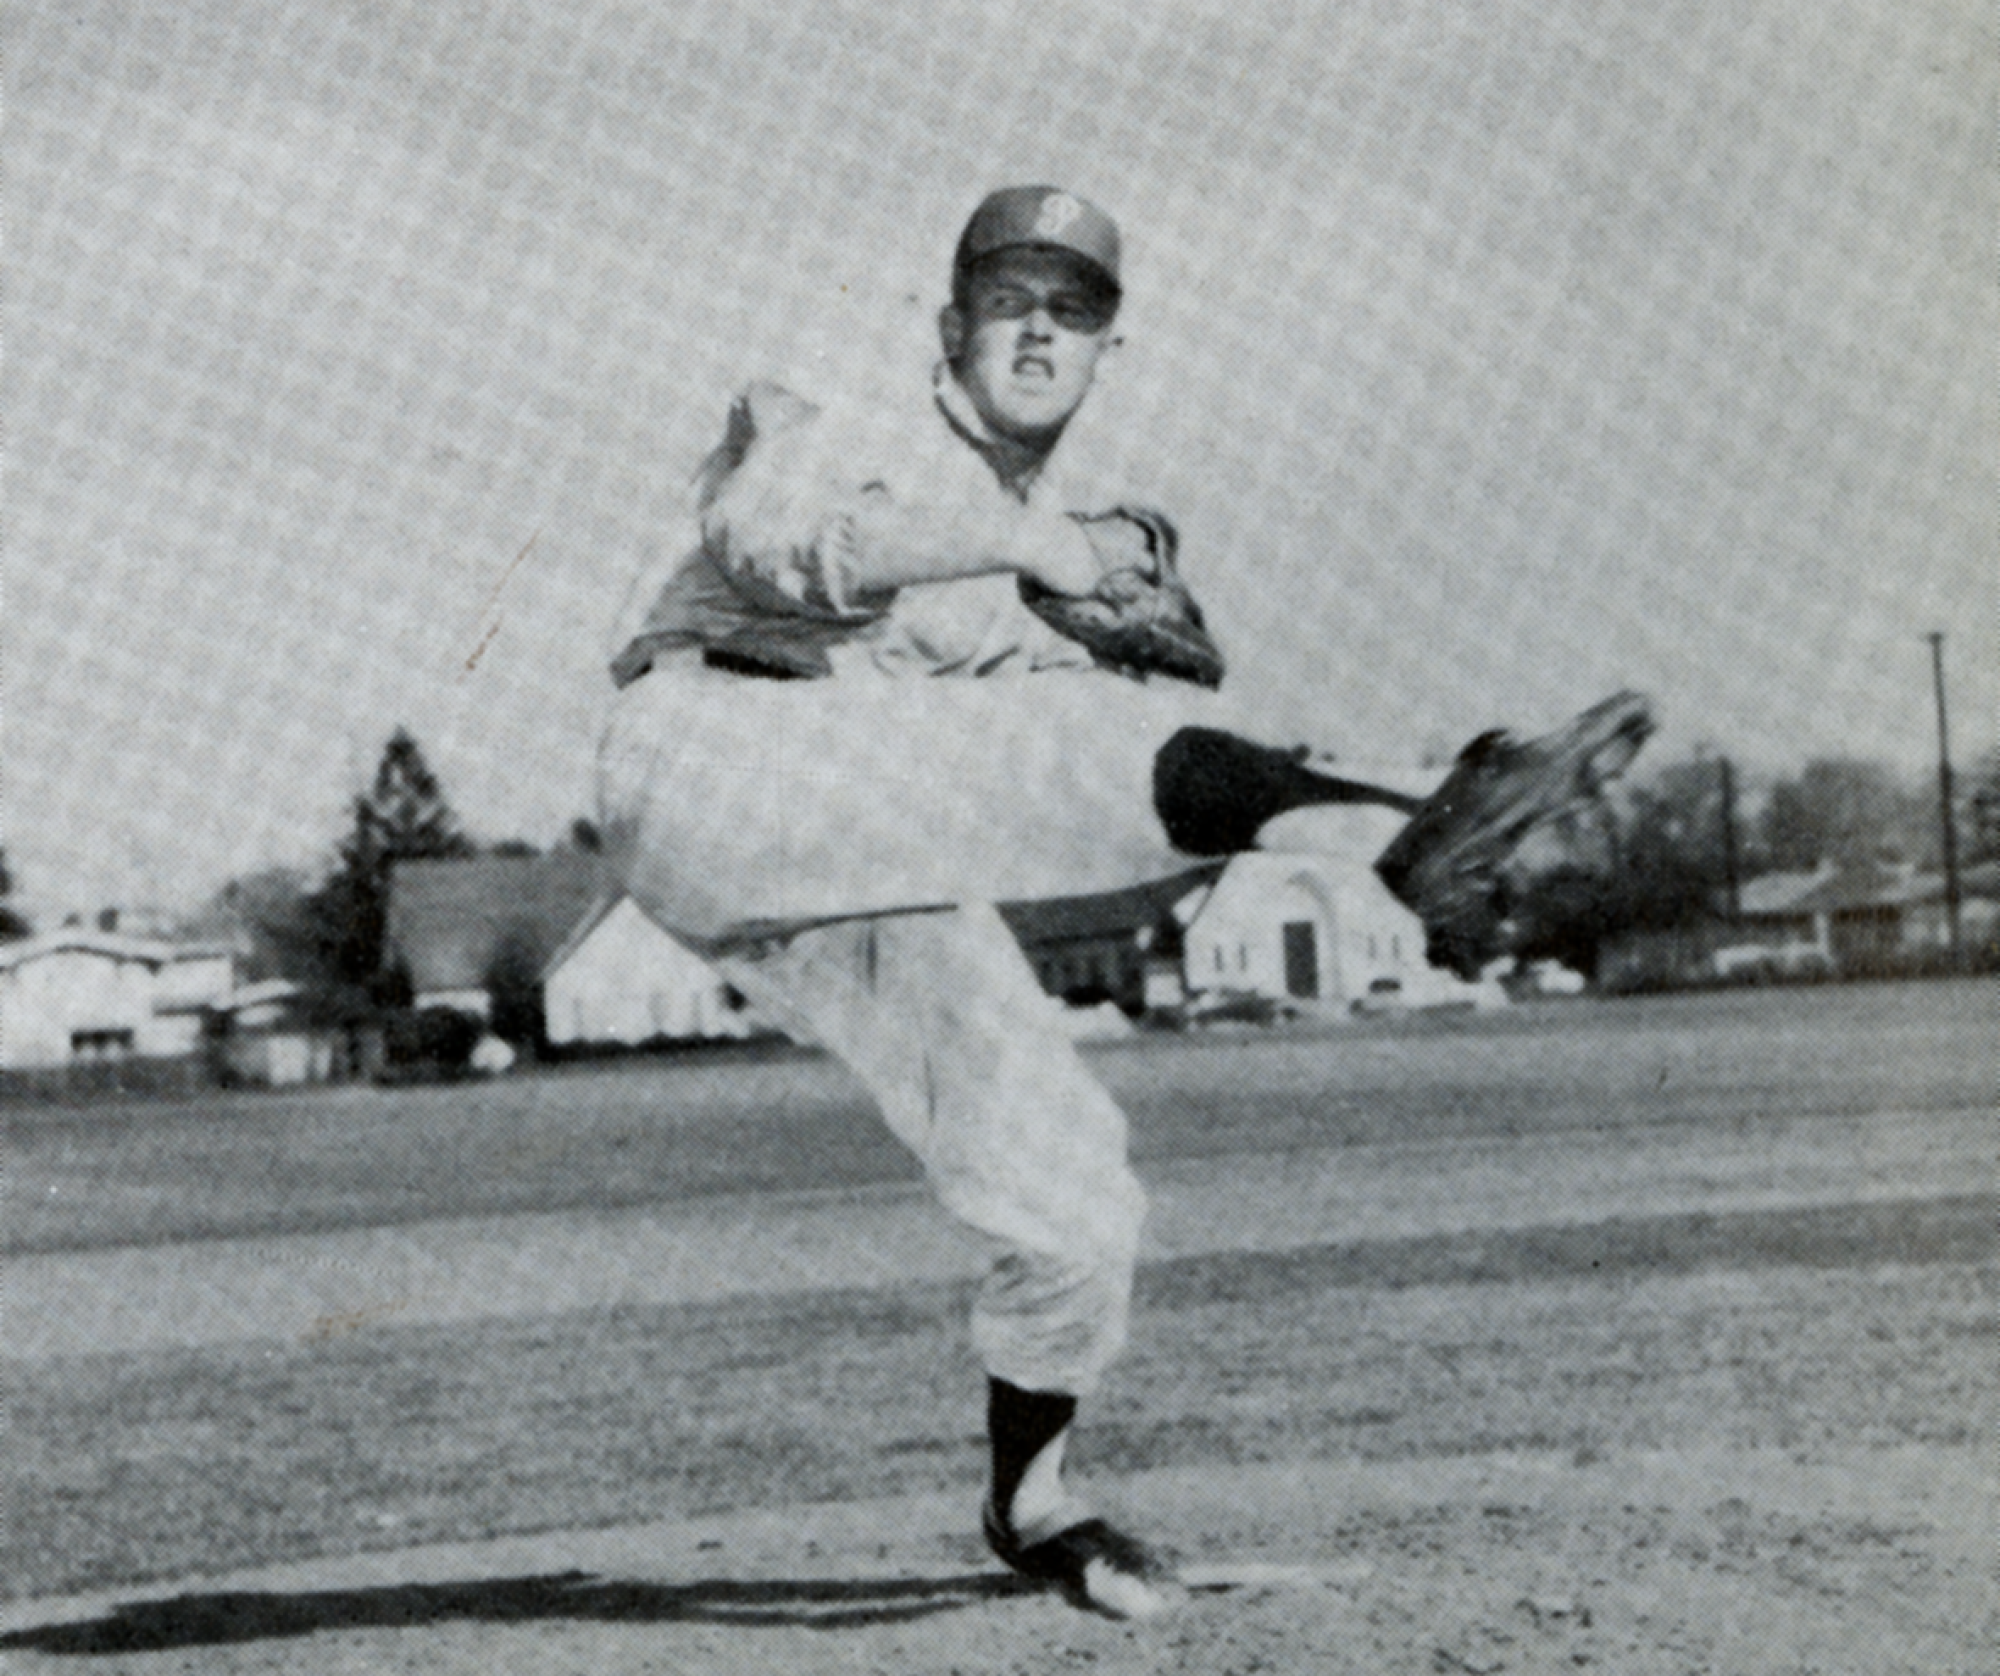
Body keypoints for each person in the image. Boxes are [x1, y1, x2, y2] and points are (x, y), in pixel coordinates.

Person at [599, 186, 1649, 1618]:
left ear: (1109, 349)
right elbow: (786, 544)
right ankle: (1410, 835)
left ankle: (1034, 1505)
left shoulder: (1044, 559)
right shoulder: (844, 420)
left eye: (1075, 305)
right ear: (949, 323)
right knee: (1082, 737)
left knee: (1069, 1183)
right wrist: (1018, 550)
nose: (1040, 323)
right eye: (1009, 294)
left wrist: (1103, 608)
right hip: (712, 760)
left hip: (846, 862)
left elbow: (1116, 764)